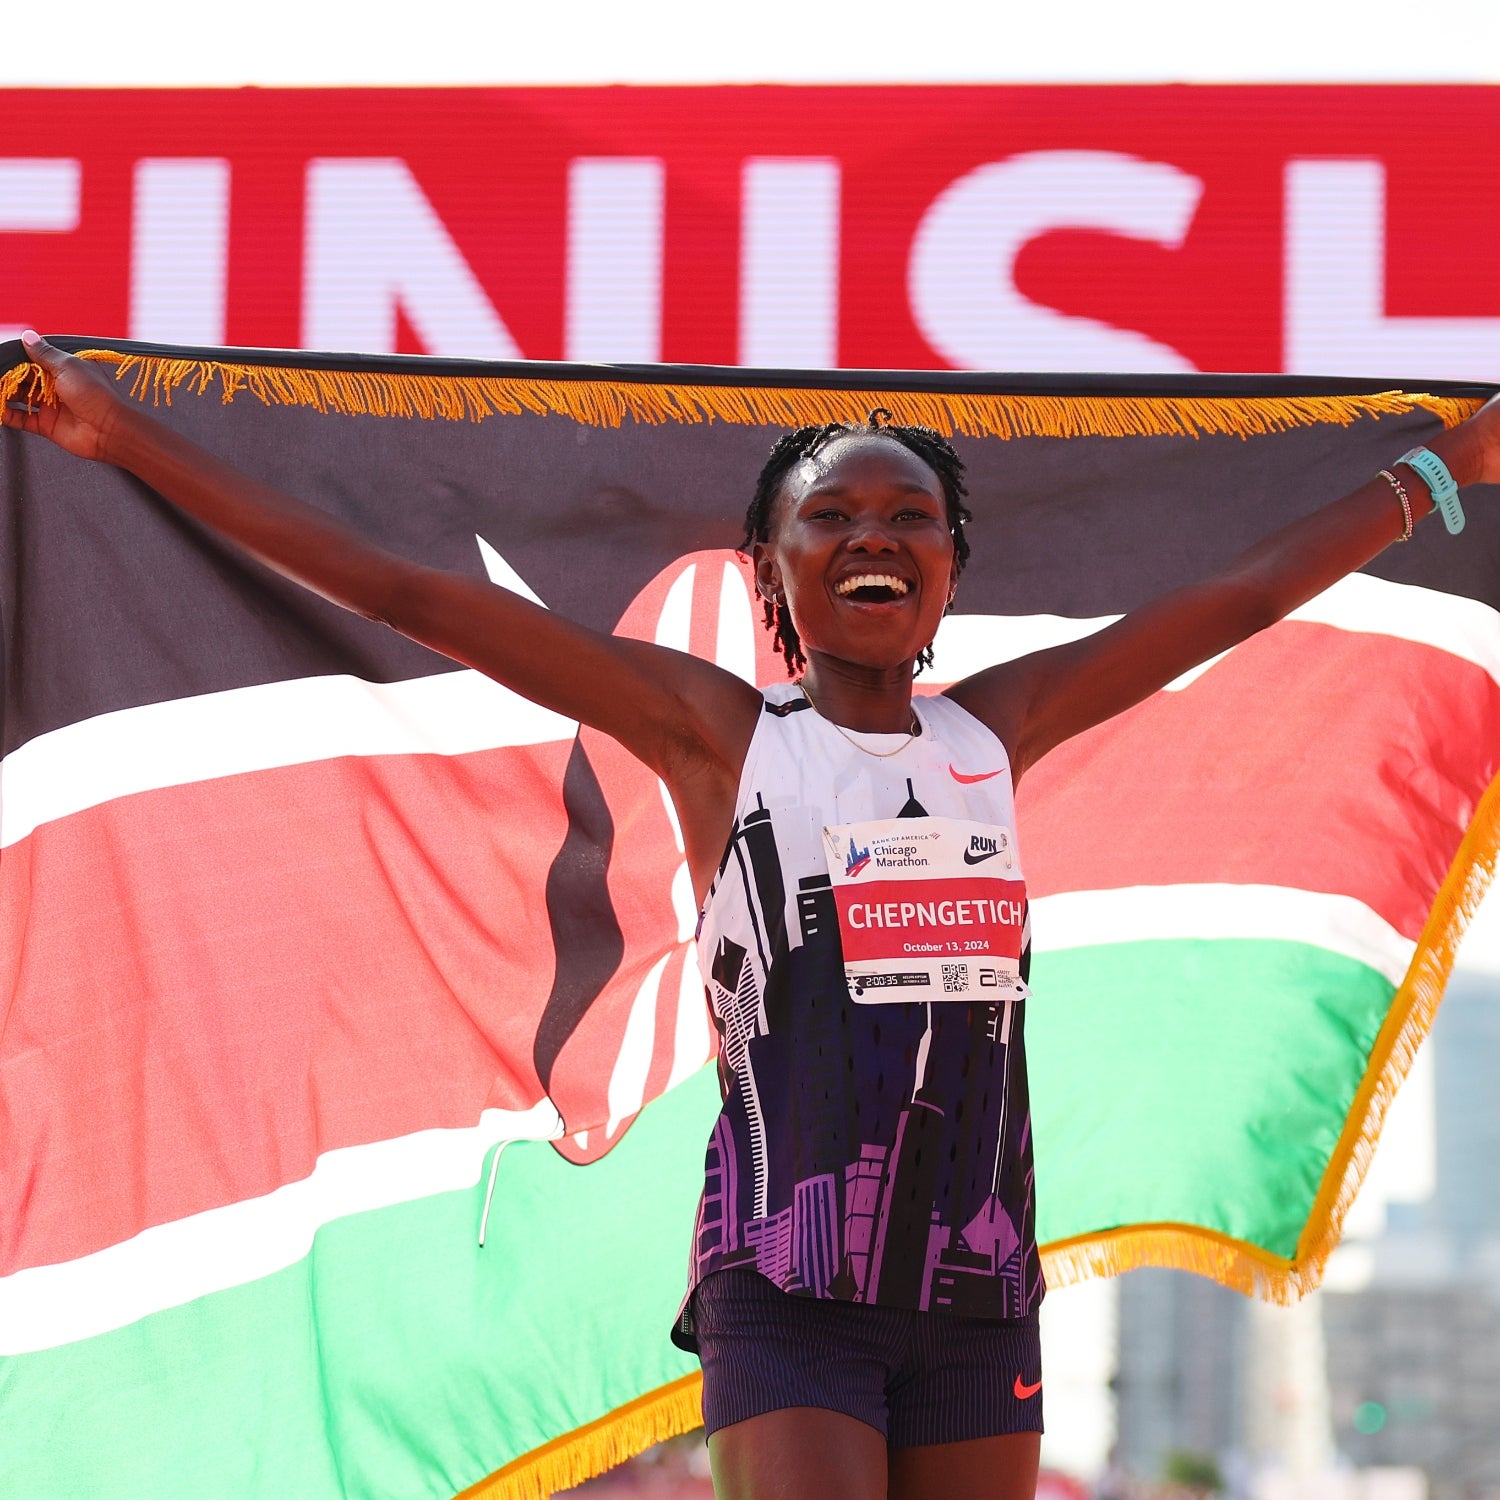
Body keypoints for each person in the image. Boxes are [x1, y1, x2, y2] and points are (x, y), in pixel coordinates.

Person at [4, 332, 1497, 1500]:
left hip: (980, 1292)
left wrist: (1441, 477)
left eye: (909, 513)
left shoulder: (998, 728)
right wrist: (121, 433)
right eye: (829, 513)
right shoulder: (724, 736)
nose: (874, 531)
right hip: (793, 1290)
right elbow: (416, 595)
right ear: (777, 578)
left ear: (949, 573)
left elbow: (1232, 602)